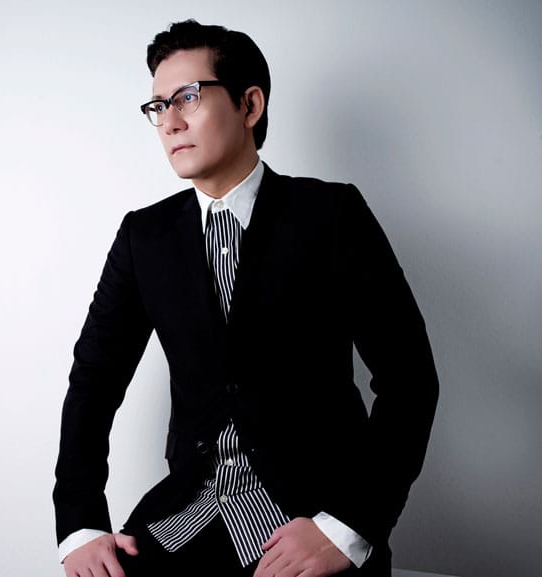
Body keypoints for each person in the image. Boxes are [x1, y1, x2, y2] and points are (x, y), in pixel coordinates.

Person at [53, 19, 438, 577]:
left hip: (313, 520)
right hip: (186, 514)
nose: (170, 121)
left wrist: (347, 526)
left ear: (249, 105)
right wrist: (81, 525)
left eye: (188, 96)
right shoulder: (145, 237)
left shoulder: (331, 216)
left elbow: (409, 380)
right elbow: (94, 380)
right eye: (158, 105)